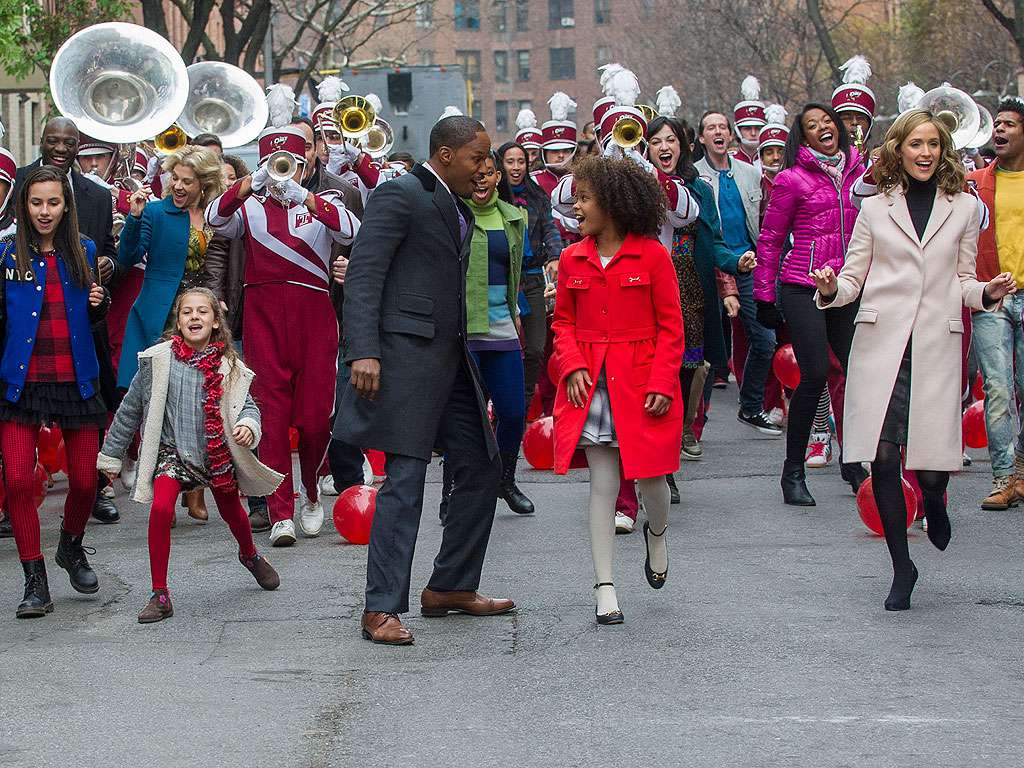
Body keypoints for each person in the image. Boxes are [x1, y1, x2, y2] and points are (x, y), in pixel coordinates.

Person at [810, 109, 1016, 610]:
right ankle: (902, 567)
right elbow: (854, 279)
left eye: (933, 144)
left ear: (943, 150)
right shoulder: (875, 209)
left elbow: (964, 281)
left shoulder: (964, 208)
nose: (925, 153)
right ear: (898, 150)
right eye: (915, 144)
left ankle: (937, 499)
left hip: (936, 343)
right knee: (881, 454)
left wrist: (986, 291)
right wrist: (833, 286)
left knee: (929, 466)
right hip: (882, 342)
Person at [336, 115, 514, 646]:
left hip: (452, 358)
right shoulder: (400, 194)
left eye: (488, 158)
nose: (487, 167)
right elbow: (365, 273)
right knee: (406, 481)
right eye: (478, 157)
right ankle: (380, 609)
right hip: (403, 357)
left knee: (484, 466)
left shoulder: (458, 205)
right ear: (444, 155)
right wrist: (362, 350)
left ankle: (450, 587)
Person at [206, 103, 360, 547]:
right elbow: (216, 218)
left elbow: (350, 230)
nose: (282, 171)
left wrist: (303, 196)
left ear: (306, 159)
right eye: (274, 162)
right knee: (270, 416)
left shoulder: (325, 200)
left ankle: (313, 492)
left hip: (314, 315)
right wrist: (248, 183)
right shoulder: (247, 207)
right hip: (263, 313)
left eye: (290, 161)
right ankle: (280, 510)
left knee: (314, 418)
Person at [550, 155, 684, 624]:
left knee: (652, 481)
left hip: (644, 384)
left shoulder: (652, 254)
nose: (577, 206)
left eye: (585, 198)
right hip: (593, 386)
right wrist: (569, 366)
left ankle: (658, 531)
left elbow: (672, 327)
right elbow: (563, 321)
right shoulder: (571, 257)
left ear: (613, 203)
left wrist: (665, 381)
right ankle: (604, 586)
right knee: (603, 485)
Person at [97, 288, 282, 623]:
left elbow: (249, 407)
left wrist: (247, 426)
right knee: (162, 508)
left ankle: (250, 555)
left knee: (234, 514)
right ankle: (160, 593)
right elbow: (129, 410)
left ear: (215, 322)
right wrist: (110, 456)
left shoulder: (230, 366)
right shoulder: (157, 360)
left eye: (202, 312)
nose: (194, 317)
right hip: (173, 452)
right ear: (178, 321)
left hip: (215, 453)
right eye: (187, 312)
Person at [1, 165, 111, 618]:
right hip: (19, 383)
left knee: (86, 480)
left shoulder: (83, 252)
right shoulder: (6, 258)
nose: (44, 211)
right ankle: (34, 579)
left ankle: (70, 544)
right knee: (18, 481)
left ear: (66, 207)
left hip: (76, 377)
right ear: (23, 207)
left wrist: (97, 307)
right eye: (36, 202)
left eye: (53, 202)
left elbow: (90, 322)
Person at [755, 103, 867, 506]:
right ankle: (793, 472)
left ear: (838, 128)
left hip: (848, 286)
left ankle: (855, 465)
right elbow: (770, 239)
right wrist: (764, 295)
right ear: (802, 138)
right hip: (803, 285)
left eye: (827, 122)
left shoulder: (861, 171)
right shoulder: (791, 179)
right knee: (816, 373)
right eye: (811, 126)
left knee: (858, 376)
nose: (823, 128)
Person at [15, 117, 121, 524]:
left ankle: (95, 489)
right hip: (28, 323)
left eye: (69, 142)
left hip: (79, 320)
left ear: (80, 145)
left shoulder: (97, 194)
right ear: (41, 141)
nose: (60, 148)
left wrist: (107, 265)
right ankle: (13, 497)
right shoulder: (19, 182)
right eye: (52, 140)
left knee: (93, 402)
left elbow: (109, 249)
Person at [117, 145, 225, 523]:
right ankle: (164, 481)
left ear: (204, 183)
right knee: (161, 401)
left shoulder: (217, 215)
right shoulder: (158, 212)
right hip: (162, 315)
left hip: (205, 313)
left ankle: (195, 487)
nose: (177, 186)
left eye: (186, 181)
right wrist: (133, 218)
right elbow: (128, 254)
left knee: (203, 397)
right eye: (174, 178)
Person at [646, 115, 753, 466]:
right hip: (645, 292)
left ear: (684, 146)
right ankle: (660, 457)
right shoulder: (638, 185)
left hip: (692, 291)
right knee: (652, 370)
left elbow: (716, 242)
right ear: (647, 148)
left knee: (688, 369)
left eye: (672, 140)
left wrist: (735, 264)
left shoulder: (700, 189)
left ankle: (683, 429)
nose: (665, 147)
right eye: (657, 141)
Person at [457, 151, 533, 515]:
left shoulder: (515, 217)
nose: (482, 180)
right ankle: (453, 491)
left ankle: (505, 480)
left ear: (498, 178)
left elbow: (515, 271)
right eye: (476, 174)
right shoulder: (453, 214)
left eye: (489, 173)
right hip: (465, 328)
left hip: (502, 325)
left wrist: (516, 311)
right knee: (465, 418)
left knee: (514, 412)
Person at [696, 111, 779, 436]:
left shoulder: (749, 173)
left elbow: (764, 221)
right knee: (704, 349)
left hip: (747, 263)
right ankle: (695, 422)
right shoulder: (696, 177)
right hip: (708, 264)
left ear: (730, 136)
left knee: (765, 340)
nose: (717, 132)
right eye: (710, 128)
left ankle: (751, 406)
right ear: (702, 138)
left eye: (722, 127)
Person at [967, 97, 1024, 510]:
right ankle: (1003, 477)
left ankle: (1021, 471)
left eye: (1010, 124)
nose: (999, 130)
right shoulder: (974, 181)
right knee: (999, 389)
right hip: (992, 297)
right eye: (997, 123)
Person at [496, 141, 563, 411]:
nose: (515, 167)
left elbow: (550, 228)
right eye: (510, 161)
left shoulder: (537, 196)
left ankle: (522, 406)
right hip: (502, 278)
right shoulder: (493, 197)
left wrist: (556, 255)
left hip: (534, 277)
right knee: (505, 346)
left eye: (520, 161)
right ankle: (500, 405)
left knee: (536, 348)